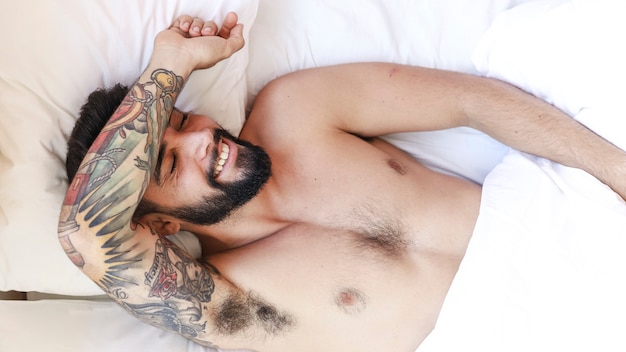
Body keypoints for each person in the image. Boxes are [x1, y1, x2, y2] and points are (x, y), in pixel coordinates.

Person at [59, 13, 626, 352]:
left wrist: (617, 171)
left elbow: (471, 102)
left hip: (578, 222)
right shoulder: (226, 303)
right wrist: (168, 64)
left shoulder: (294, 109)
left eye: (182, 120)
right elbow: (85, 234)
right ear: (156, 222)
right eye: (168, 164)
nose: (201, 140)